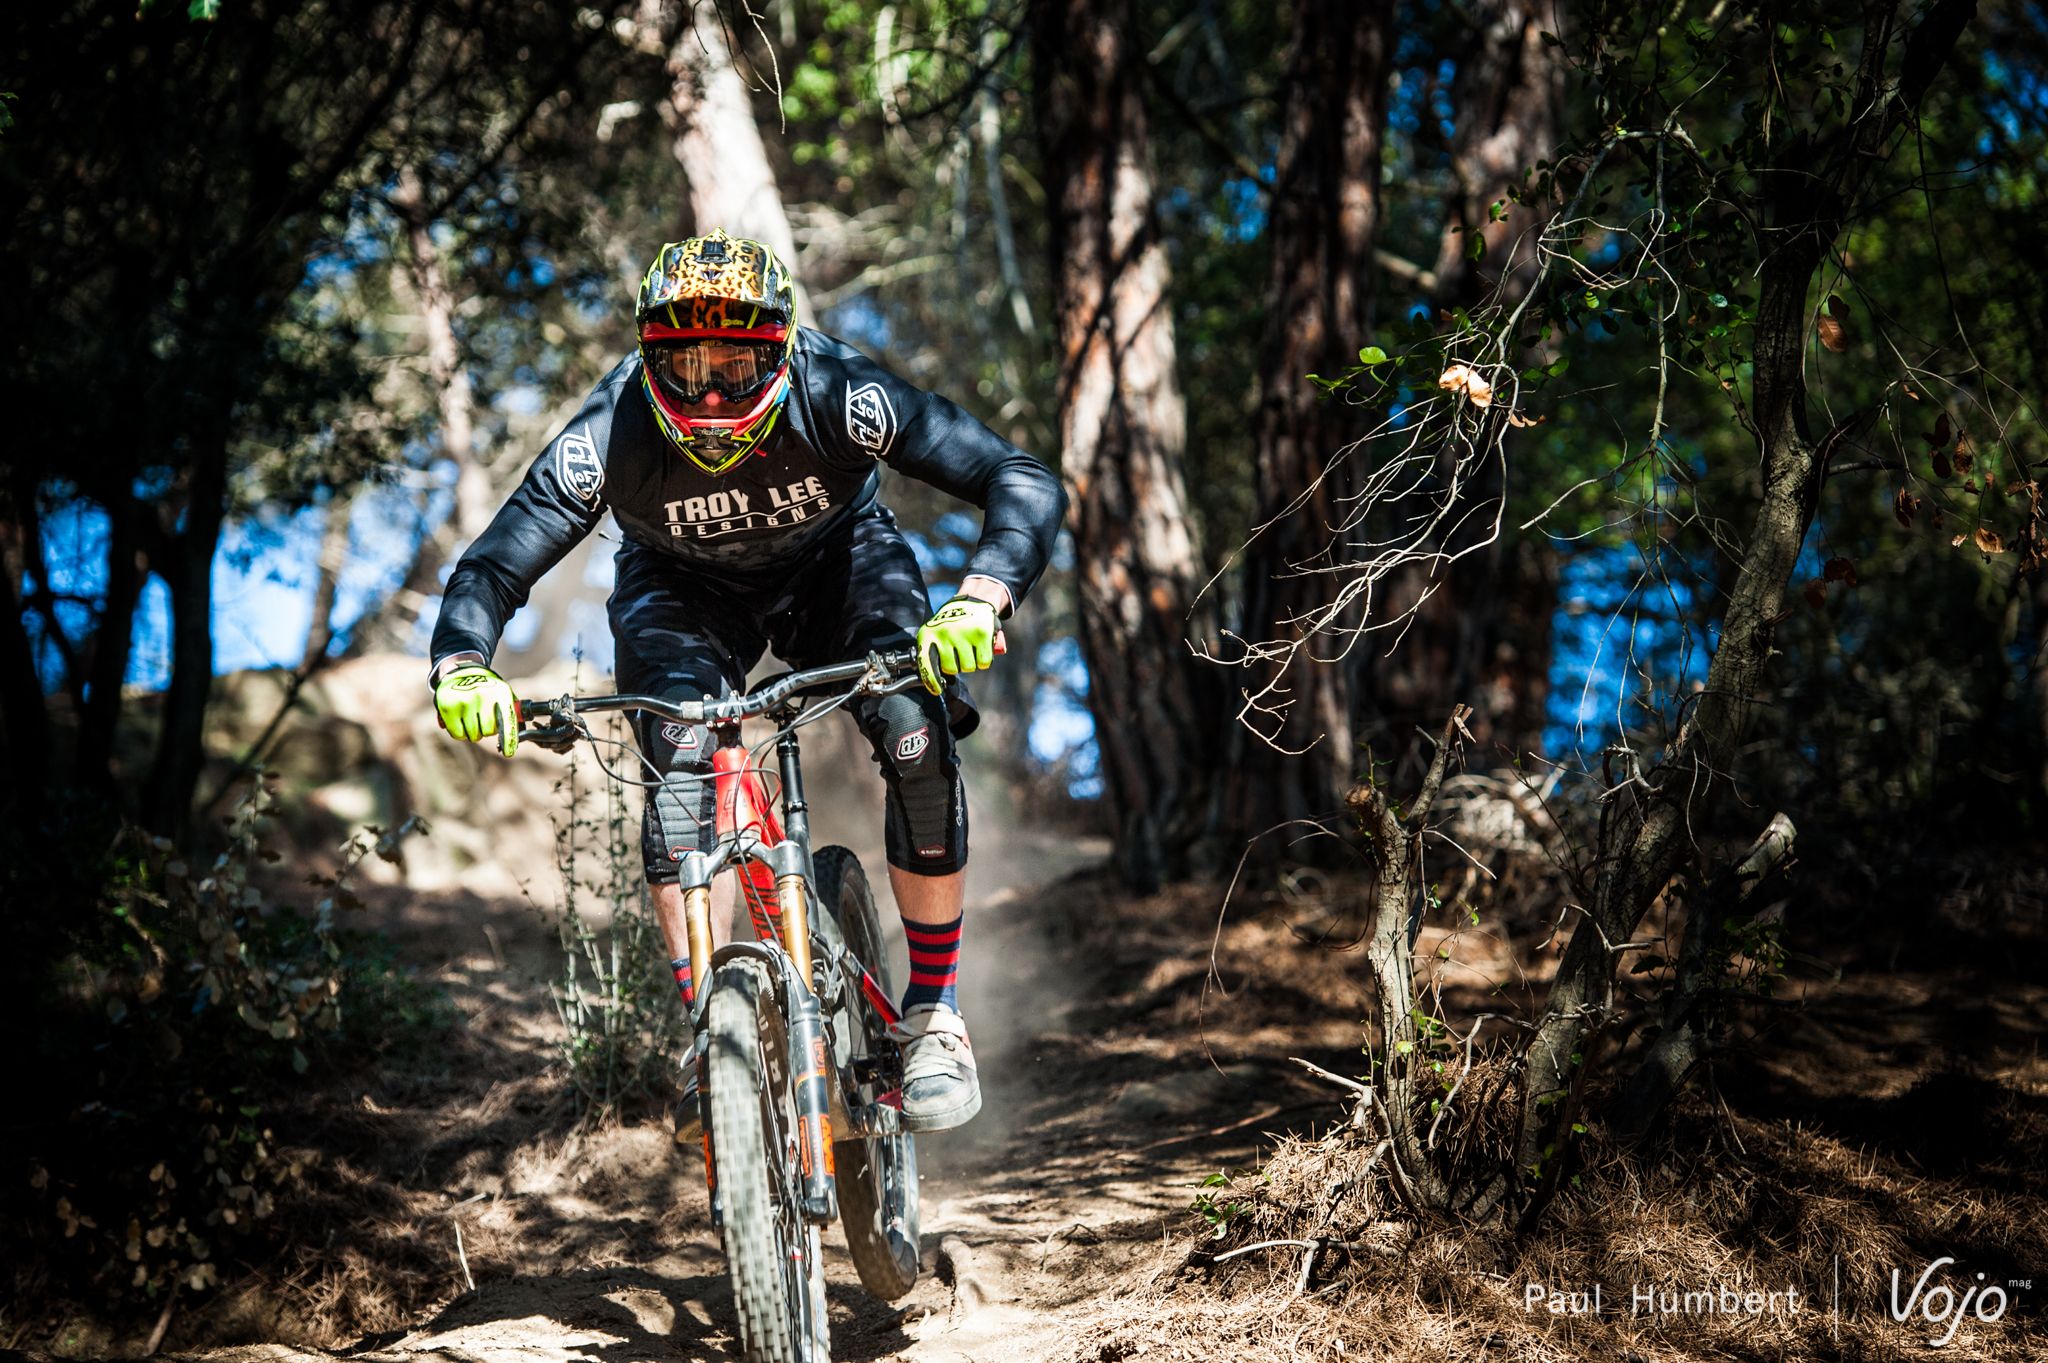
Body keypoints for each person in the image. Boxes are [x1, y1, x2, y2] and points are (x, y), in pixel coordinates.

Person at [427, 229, 1066, 1134]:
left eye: (737, 363)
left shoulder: (842, 391)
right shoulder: (608, 435)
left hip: (839, 565)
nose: (716, 392)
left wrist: (980, 598)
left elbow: (1021, 478)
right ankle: (710, 1037)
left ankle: (935, 1013)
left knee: (913, 728)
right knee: (680, 775)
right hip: (681, 591)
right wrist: (461, 661)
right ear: (650, 360)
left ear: (783, 349)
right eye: (687, 368)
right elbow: (492, 567)